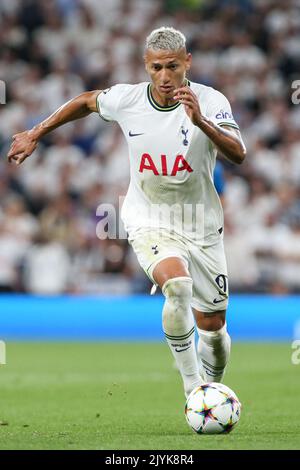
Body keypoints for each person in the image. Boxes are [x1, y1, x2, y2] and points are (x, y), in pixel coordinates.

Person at [7, 27, 246, 398]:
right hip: (148, 218)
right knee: (177, 287)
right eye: (155, 68)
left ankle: (211, 388)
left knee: (213, 328)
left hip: (201, 224)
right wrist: (36, 133)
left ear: (188, 63)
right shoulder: (128, 99)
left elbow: (238, 153)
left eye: (172, 66)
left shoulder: (210, 101)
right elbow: (86, 101)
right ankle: (193, 389)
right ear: (145, 66)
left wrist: (202, 123)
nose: (164, 77)